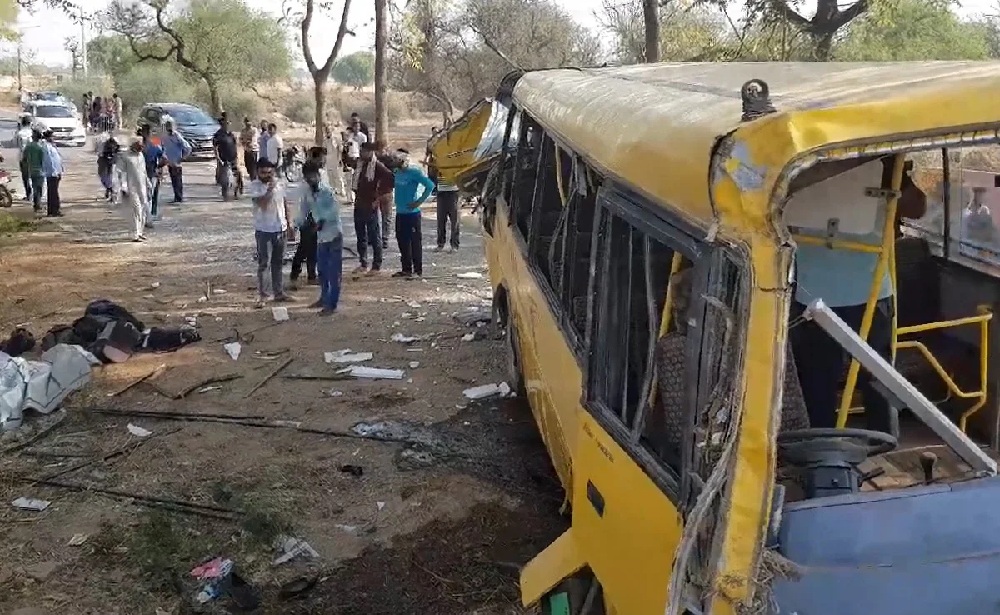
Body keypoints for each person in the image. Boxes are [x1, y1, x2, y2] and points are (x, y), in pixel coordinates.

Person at [789, 156, 927, 434]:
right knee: (875, 377)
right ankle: (883, 439)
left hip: (819, 293)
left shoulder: (796, 161)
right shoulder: (883, 161)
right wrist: (894, 179)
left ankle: (820, 447)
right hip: (865, 290)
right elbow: (917, 207)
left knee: (820, 381)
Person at [295, 160, 343, 315]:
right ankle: (323, 298)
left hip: (334, 234)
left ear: (318, 175)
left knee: (333, 272)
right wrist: (295, 225)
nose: (310, 180)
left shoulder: (327, 191)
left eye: (312, 176)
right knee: (321, 269)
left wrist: (322, 219)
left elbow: (335, 210)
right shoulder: (308, 192)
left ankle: (332, 305)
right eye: (307, 177)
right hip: (321, 236)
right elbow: (304, 210)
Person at [247, 159, 294, 304]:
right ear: (257, 172)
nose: (266, 175)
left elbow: (285, 203)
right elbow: (262, 204)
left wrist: (290, 223)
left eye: (269, 172)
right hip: (264, 230)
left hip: (280, 228)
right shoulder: (255, 186)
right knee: (264, 263)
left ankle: (279, 292)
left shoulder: (280, 183)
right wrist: (269, 190)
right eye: (263, 172)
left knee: (278, 262)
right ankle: (264, 294)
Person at [391, 148, 435, 279]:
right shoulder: (397, 172)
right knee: (402, 241)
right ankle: (406, 269)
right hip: (400, 212)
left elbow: (430, 186)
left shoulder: (414, 172)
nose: (396, 163)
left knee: (414, 242)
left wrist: (419, 201)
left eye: (399, 161)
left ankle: (417, 270)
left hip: (412, 214)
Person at [290, 147, 329, 288]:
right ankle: (295, 273)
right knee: (304, 248)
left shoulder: (321, 177)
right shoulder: (305, 185)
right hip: (307, 219)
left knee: (313, 248)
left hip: (317, 217)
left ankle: (312, 275)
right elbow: (301, 205)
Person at [353, 142, 394, 275]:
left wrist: (379, 198)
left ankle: (376, 265)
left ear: (371, 152)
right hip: (359, 203)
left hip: (370, 205)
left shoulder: (377, 166)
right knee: (361, 236)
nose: (361, 153)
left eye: (364, 151)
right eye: (361, 150)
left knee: (374, 235)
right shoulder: (361, 164)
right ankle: (363, 263)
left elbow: (390, 179)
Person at [117, 138, 151, 242]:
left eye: (142, 146)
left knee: (144, 209)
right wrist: (123, 186)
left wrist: (148, 183)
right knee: (136, 210)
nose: (141, 147)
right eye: (139, 145)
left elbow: (143, 171)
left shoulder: (141, 156)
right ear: (133, 145)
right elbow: (121, 172)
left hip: (142, 187)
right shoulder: (125, 156)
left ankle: (140, 232)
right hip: (131, 187)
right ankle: (135, 234)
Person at [160, 117, 192, 203]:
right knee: (174, 181)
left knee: (178, 181)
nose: (169, 128)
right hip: (170, 163)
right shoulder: (165, 137)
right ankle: (176, 197)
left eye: (170, 126)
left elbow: (188, 147)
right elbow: (162, 147)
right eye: (167, 126)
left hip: (177, 163)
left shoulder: (177, 136)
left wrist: (183, 157)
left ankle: (179, 198)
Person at [139, 124, 165, 221]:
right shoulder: (155, 142)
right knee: (153, 193)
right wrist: (159, 167)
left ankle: (144, 215)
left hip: (140, 171)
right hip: (152, 170)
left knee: (143, 194)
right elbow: (164, 157)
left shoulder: (138, 143)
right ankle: (151, 214)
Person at [434, 158, 461, 252]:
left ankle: (454, 245)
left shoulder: (455, 161)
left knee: (455, 221)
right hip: (441, 193)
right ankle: (440, 244)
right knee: (441, 220)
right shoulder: (437, 161)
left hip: (453, 193)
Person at [374, 140, 395, 249]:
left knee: (386, 217)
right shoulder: (373, 161)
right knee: (376, 217)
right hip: (376, 193)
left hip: (386, 191)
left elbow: (393, 176)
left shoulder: (390, 161)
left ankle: (385, 238)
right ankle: (377, 238)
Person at [212, 115, 240, 199]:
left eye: (228, 123)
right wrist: (218, 158)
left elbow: (235, 145)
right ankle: (225, 194)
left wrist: (237, 156)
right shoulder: (218, 135)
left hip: (233, 158)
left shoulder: (231, 134)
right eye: (225, 123)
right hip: (223, 159)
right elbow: (215, 147)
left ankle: (236, 194)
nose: (227, 125)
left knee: (236, 176)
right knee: (225, 179)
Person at [40, 130, 63, 217]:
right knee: (53, 192)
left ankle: (53, 210)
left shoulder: (52, 146)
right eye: (52, 137)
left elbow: (58, 159)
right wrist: (54, 172)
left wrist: (60, 170)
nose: (54, 138)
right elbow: (49, 161)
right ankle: (54, 210)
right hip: (52, 173)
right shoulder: (46, 147)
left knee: (53, 191)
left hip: (56, 172)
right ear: (48, 137)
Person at [21, 130, 45, 215]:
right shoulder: (41, 147)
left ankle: (36, 204)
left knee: (35, 187)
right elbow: (44, 160)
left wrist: (26, 166)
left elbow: (24, 158)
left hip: (31, 170)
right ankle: (37, 205)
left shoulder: (28, 146)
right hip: (40, 171)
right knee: (39, 189)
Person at [15, 115, 34, 203]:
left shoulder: (19, 133)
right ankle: (36, 195)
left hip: (23, 158)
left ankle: (28, 195)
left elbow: (16, 144)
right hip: (33, 158)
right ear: (30, 123)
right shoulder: (33, 133)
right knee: (34, 177)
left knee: (25, 178)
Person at [240, 117, 260, 181]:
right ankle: (253, 177)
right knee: (247, 166)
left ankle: (254, 180)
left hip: (253, 150)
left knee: (253, 167)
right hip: (246, 150)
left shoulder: (254, 130)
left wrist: (247, 142)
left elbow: (253, 140)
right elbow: (241, 139)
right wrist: (244, 143)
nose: (248, 123)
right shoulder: (243, 130)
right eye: (247, 122)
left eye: (249, 121)